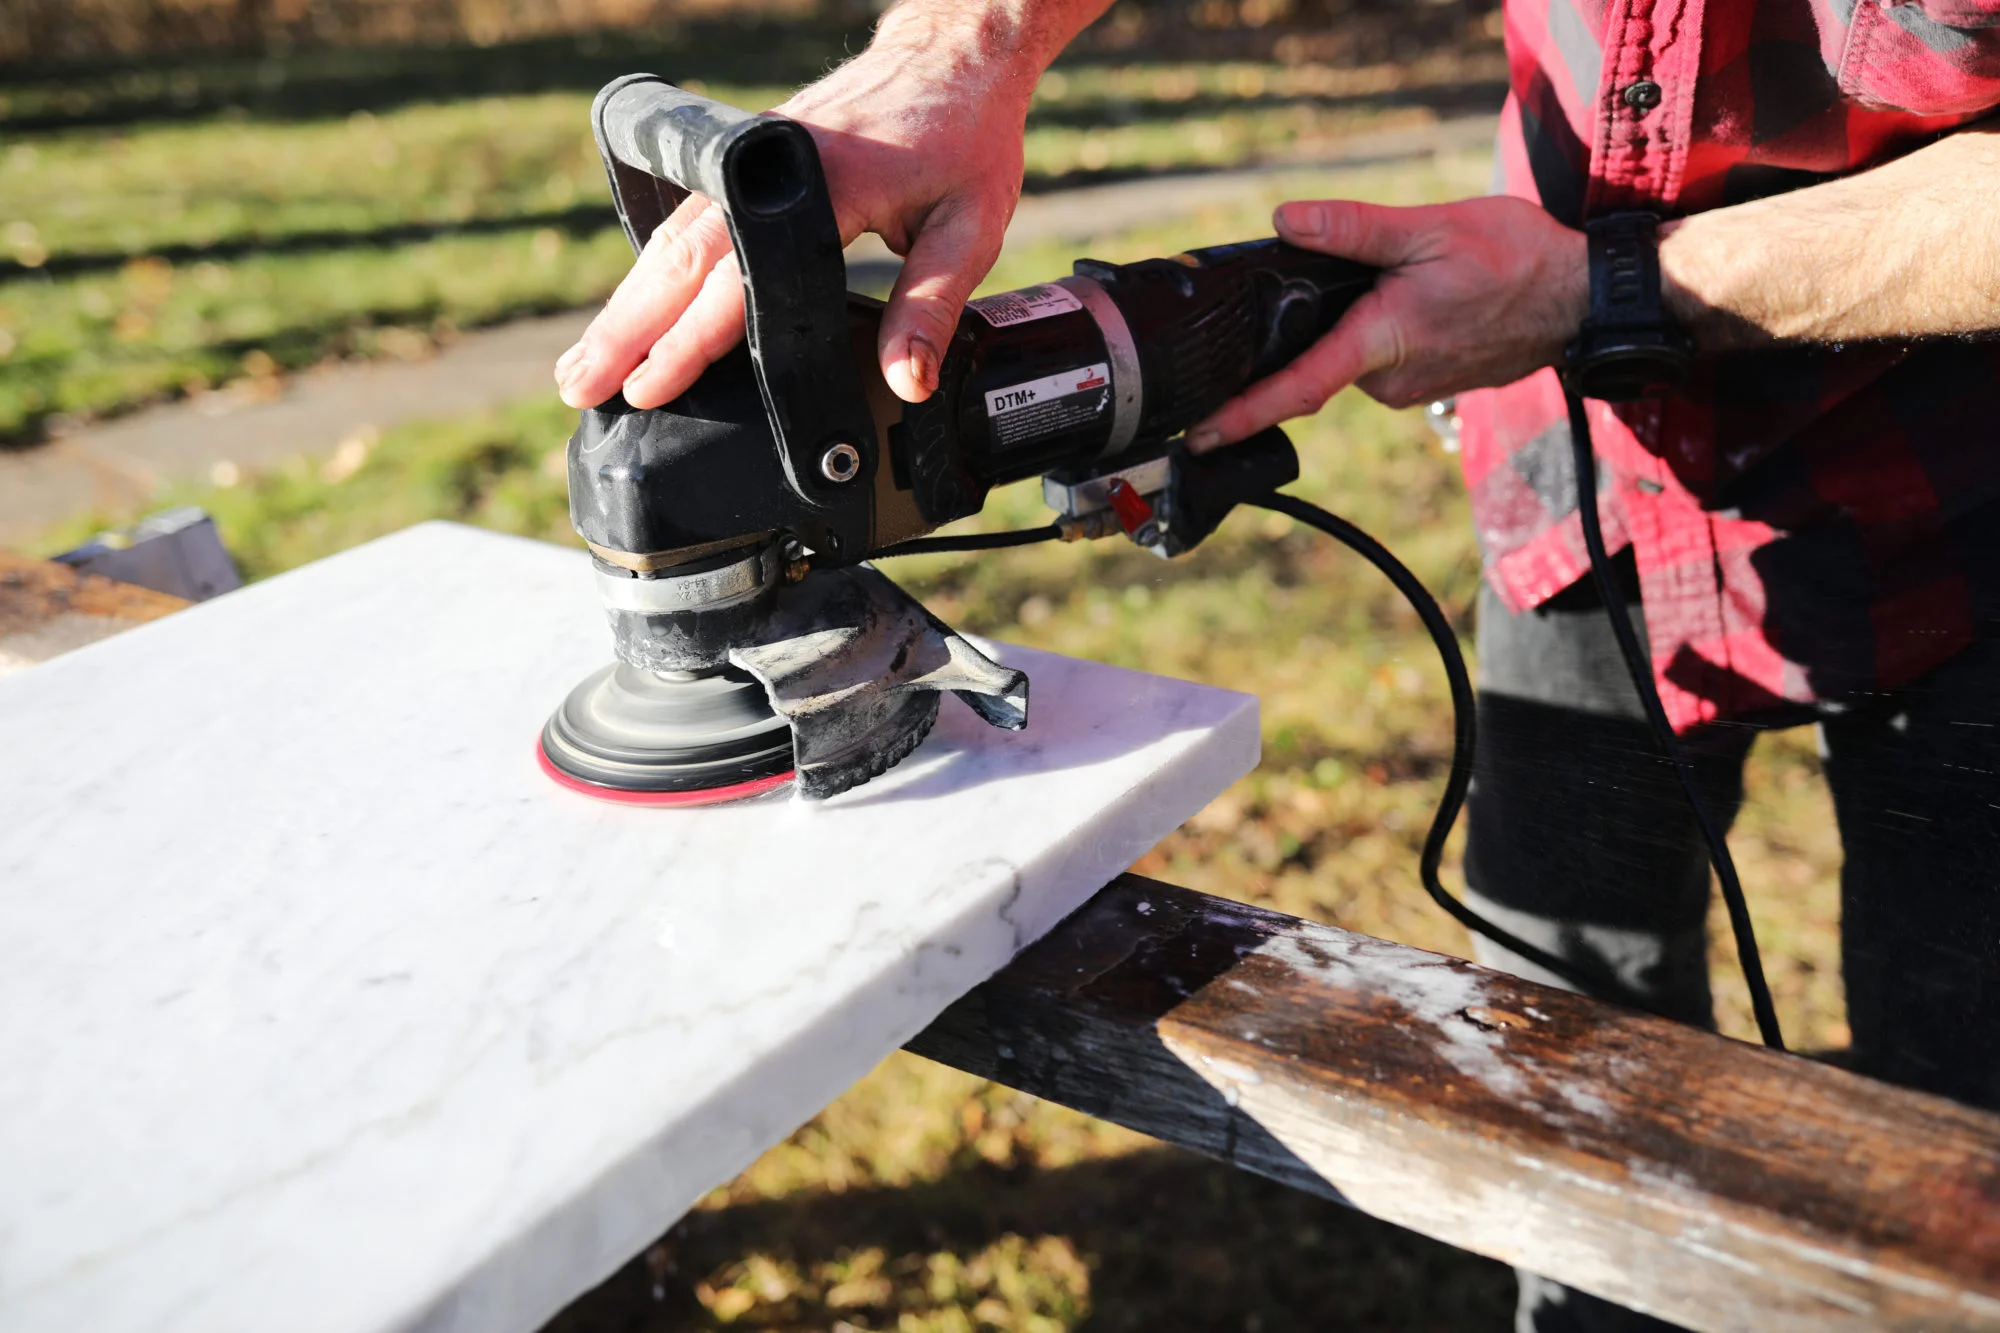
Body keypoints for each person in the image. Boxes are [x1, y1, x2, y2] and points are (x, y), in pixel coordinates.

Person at [554, 2, 2000, 1327]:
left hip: (1957, 485)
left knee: (1957, 1138)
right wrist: (970, 46)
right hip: (1579, 465)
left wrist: (1608, 287)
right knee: (1566, 1058)